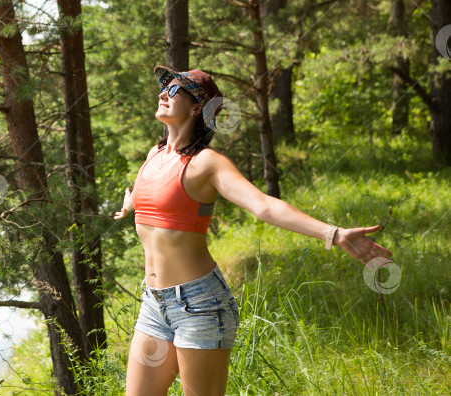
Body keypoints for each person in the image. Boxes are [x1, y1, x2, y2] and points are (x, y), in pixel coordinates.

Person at [113, 65, 394, 396]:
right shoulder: (154, 155)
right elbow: (160, 200)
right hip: (154, 302)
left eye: (174, 90)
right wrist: (133, 202)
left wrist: (332, 233)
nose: (163, 93)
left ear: (196, 108)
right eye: (163, 87)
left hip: (199, 305)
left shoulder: (207, 163)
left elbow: (265, 206)